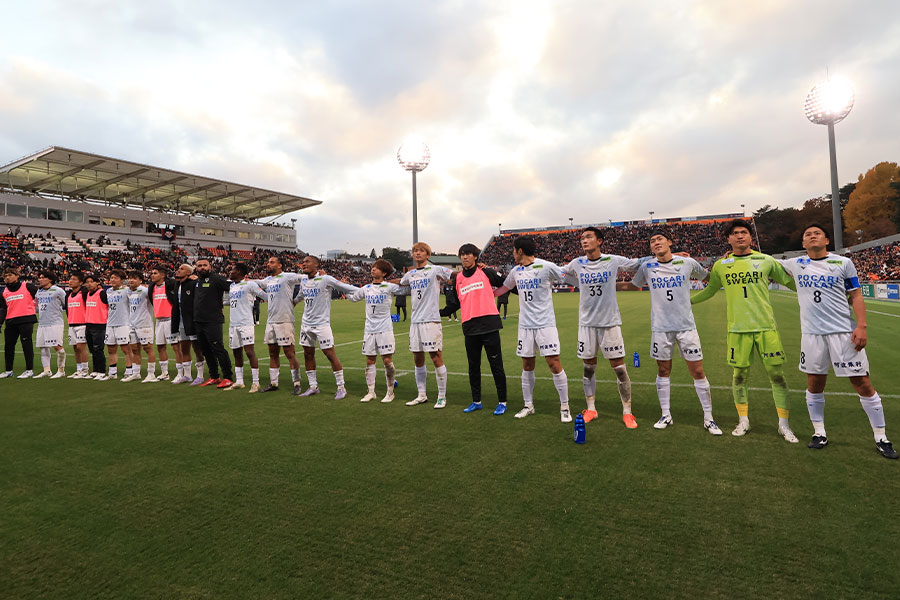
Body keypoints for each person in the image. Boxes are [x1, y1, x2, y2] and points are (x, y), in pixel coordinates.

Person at [780, 224, 897, 459]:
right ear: (803, 244)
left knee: (862, 382)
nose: (812, 236)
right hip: (812, 335)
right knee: (815, 383)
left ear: (826, 240)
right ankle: (819, 432)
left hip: (843, 333)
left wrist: (861, 326)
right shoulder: (795, 264)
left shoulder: (842, 263)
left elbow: (856, 295)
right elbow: (759, 260)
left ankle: (881, 437)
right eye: (807, 235)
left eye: (817, 234)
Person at [690, 219, 798, 442]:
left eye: (744, 232)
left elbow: (791, 283)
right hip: (738, 330)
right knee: (739, 376)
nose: (740, 236)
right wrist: (686, 302)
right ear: (728, 239)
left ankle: (784, 425)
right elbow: (710, 291)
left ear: (750, 237)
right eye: (735, 233)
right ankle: (743, 420)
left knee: (777, 376)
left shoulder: (766, 260)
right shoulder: (721, 265)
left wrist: (826, 291)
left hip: (766, 327)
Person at [629, 231, 722, 435]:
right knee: (663, 371)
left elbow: (709, 278)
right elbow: (633, 284)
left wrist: (724, 264)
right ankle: (666, 414)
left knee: (697, 371)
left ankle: (709, 418)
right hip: (661, 328)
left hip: (686, 326)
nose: (656, 242)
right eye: (652, 241)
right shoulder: (647, 266)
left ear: (669, 242)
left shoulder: (686, 263)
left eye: (659, 239)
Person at [561, 227, 644, 428]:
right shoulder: (577, 263)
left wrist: (673, 255)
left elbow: (638, 264)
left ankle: (627, 412)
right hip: (587, 324)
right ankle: (591, 409)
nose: (584, 240)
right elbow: (561, 273)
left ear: (600, 241)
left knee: (620, 369)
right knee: (588, 368)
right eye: (582, 238)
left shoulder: (612, 260)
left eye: (588, 237)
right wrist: (577, 282)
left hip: (609, 323)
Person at [492, 237, 571, 422]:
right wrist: (485, 294)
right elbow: (504, 288)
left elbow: (566, 277)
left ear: (520, 251)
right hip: (525, 326)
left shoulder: (546, 266)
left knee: (554, 363)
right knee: (527, 365)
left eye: (514, 250)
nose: (512, 253)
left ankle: (565, 406)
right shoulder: (516, 271)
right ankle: (528, 405)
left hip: (545, 324)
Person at [440, 243, 508, 415]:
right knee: (473, 366)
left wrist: (495, 292)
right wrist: (437, 313)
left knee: (496, 366)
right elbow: (455, 303)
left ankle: (502, 402)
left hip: (489, 325)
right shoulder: (459, 279)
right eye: (462, 254)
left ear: (475, 256)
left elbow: (506, 282)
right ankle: (476, 401)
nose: (464, 257)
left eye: (468, 254)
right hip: (469, 327)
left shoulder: (485, 272)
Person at [293, 255, 359, 399]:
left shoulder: (325, 279)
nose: (304, 264)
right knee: (308, 354)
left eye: (307, 262)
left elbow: (346, 287)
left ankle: (341, 387)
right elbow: (300, 296)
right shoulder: (304, 280)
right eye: (303, 262)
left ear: (316, 265)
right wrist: (292, 303)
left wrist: (367, 290)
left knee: (330, 354)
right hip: (306, 324)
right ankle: (313, 386)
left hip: (322, 324)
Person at [399, 242, 453, 409]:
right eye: (415, 251)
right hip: (415, 322)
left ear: (428, 255)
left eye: (421, 251)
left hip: (431, 320)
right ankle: (421, 395)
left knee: (436, 357)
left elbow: (454, 275)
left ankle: (442, 397)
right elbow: (401, 283)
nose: (418, 253)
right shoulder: (410, 274)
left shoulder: (435, 269)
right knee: (417, 359)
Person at [347, 259, 404, 403]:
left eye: (377, 268)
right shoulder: (366, 288)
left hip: (385, 329)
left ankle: (390, 392)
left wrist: (402, 280)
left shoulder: (390, 287)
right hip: (369, 330)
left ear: (384, 273)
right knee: (369, 361)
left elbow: (407, 289)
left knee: (387, 361)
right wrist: (344, 287)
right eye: (372, 267)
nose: (373, 269)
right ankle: (371, 392)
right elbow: (353, 298)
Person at [254, 256, 305, 393]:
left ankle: (297, 383)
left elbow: (305, 279)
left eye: (272, 262)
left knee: (289, 353)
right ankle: (274, 383)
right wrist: (243, 280)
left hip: (285, 320)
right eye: (268, 262)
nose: (268, 264)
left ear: (280, 265)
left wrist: (297, 299)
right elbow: (256, 283)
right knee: (272, 353)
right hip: (271, 321)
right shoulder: (268, 280)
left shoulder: (287, 277)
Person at [225, 263, 267, 392]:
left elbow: (265, 296)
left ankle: (256, 382)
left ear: (238, 271)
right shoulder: (232, 286)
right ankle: (239, 381)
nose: (230, 272)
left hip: (246, 323)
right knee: (236, 352)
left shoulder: (250, 284)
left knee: (249, 352)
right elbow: (232, 301)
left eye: (232, 270)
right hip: (233, 324)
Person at [192, 258, 234, 389]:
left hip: (213, 320)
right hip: (199, 320)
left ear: (210, 267)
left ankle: (227, 377)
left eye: (205, 265)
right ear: (196, 268)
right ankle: (214, 376)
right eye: (199, 266)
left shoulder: (217, 279)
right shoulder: (196, 281)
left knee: (218, 349)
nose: (202, 267)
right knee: (205, 350)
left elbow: (232, 285)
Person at [171, 263, 206, 385]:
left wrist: (198, 278)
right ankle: (187, 375)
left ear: (188, 273)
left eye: (182, 269)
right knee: (184, 347)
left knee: (197, 348)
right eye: (178, 268)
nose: (178, 270)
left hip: (192, 321)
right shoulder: (177, 284)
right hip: (181, 320)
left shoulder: (193, 284)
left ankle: (200, 375)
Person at [0, 267, 38, 378]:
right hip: (11, 321)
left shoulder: (27, 286)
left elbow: (42, 296)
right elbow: (3, 309)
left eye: (10, 275)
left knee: (26, 344)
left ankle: (29, 370)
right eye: (5, 276)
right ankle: (8, 370)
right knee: (8, 346)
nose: (7, 277)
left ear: (17, 276)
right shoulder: (4, 292)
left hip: (26, 319)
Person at [33, 270, 68, 379]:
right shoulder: (38, 292)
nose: (40, 279)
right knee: (43, 347)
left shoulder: (58, 290)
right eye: (40, 277)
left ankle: (61, 370)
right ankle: (47, 370)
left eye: (43, 277)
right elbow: (38, 306)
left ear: (50, 279)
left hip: (55, 323)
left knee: (57, 347)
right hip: (42, 323)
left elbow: (66, 303)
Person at [124, 270, 157, 383]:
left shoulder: (145, 291)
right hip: (132, 324)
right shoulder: (128, 291)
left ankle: (151, 374)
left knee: (148, 348)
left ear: (140, 280)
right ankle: (136, 373)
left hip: (144, 324)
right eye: (130, 278)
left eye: (134, 278)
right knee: (134, 349)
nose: (131, 280)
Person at [148, 266, 179, 381]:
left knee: (176, 347)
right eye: (152, 273)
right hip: (159, 320)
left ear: (162, 275)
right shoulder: (152, 287)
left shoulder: (171, 284)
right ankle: (165, 373)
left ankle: (180, 372)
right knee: (160, 346)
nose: (152, 275)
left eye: (155, 273)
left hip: (170, 319)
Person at [101, 269, 132, 381]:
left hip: (123, 323)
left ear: (122, 280)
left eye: (115, 278)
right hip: (110, 324)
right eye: (111, 278)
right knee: (111, 349)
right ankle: (112, 372)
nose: (112, 280)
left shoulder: (126, 291)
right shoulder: (108, 291)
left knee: (126, 349)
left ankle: (129, 371)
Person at [65, 272, 90, 378]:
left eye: (74, 279)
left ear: (80, 282)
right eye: (70, 279)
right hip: (72, 324)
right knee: (75, 347)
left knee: (81, 347)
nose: (71, 281)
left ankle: (85, 370)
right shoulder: (68, 295)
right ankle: (79, 369)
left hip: (82, 324)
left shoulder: (84, 293)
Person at [83, 274, 108, 379]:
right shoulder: (88, 294)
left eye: (91, 281)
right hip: (89, 324)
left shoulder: (102, 293)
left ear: (97, 282)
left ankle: (101, 370)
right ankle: (95, 370)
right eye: (87, 282)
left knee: (98, 349)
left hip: (99, 324)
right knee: (92, 349)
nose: (89, 284)